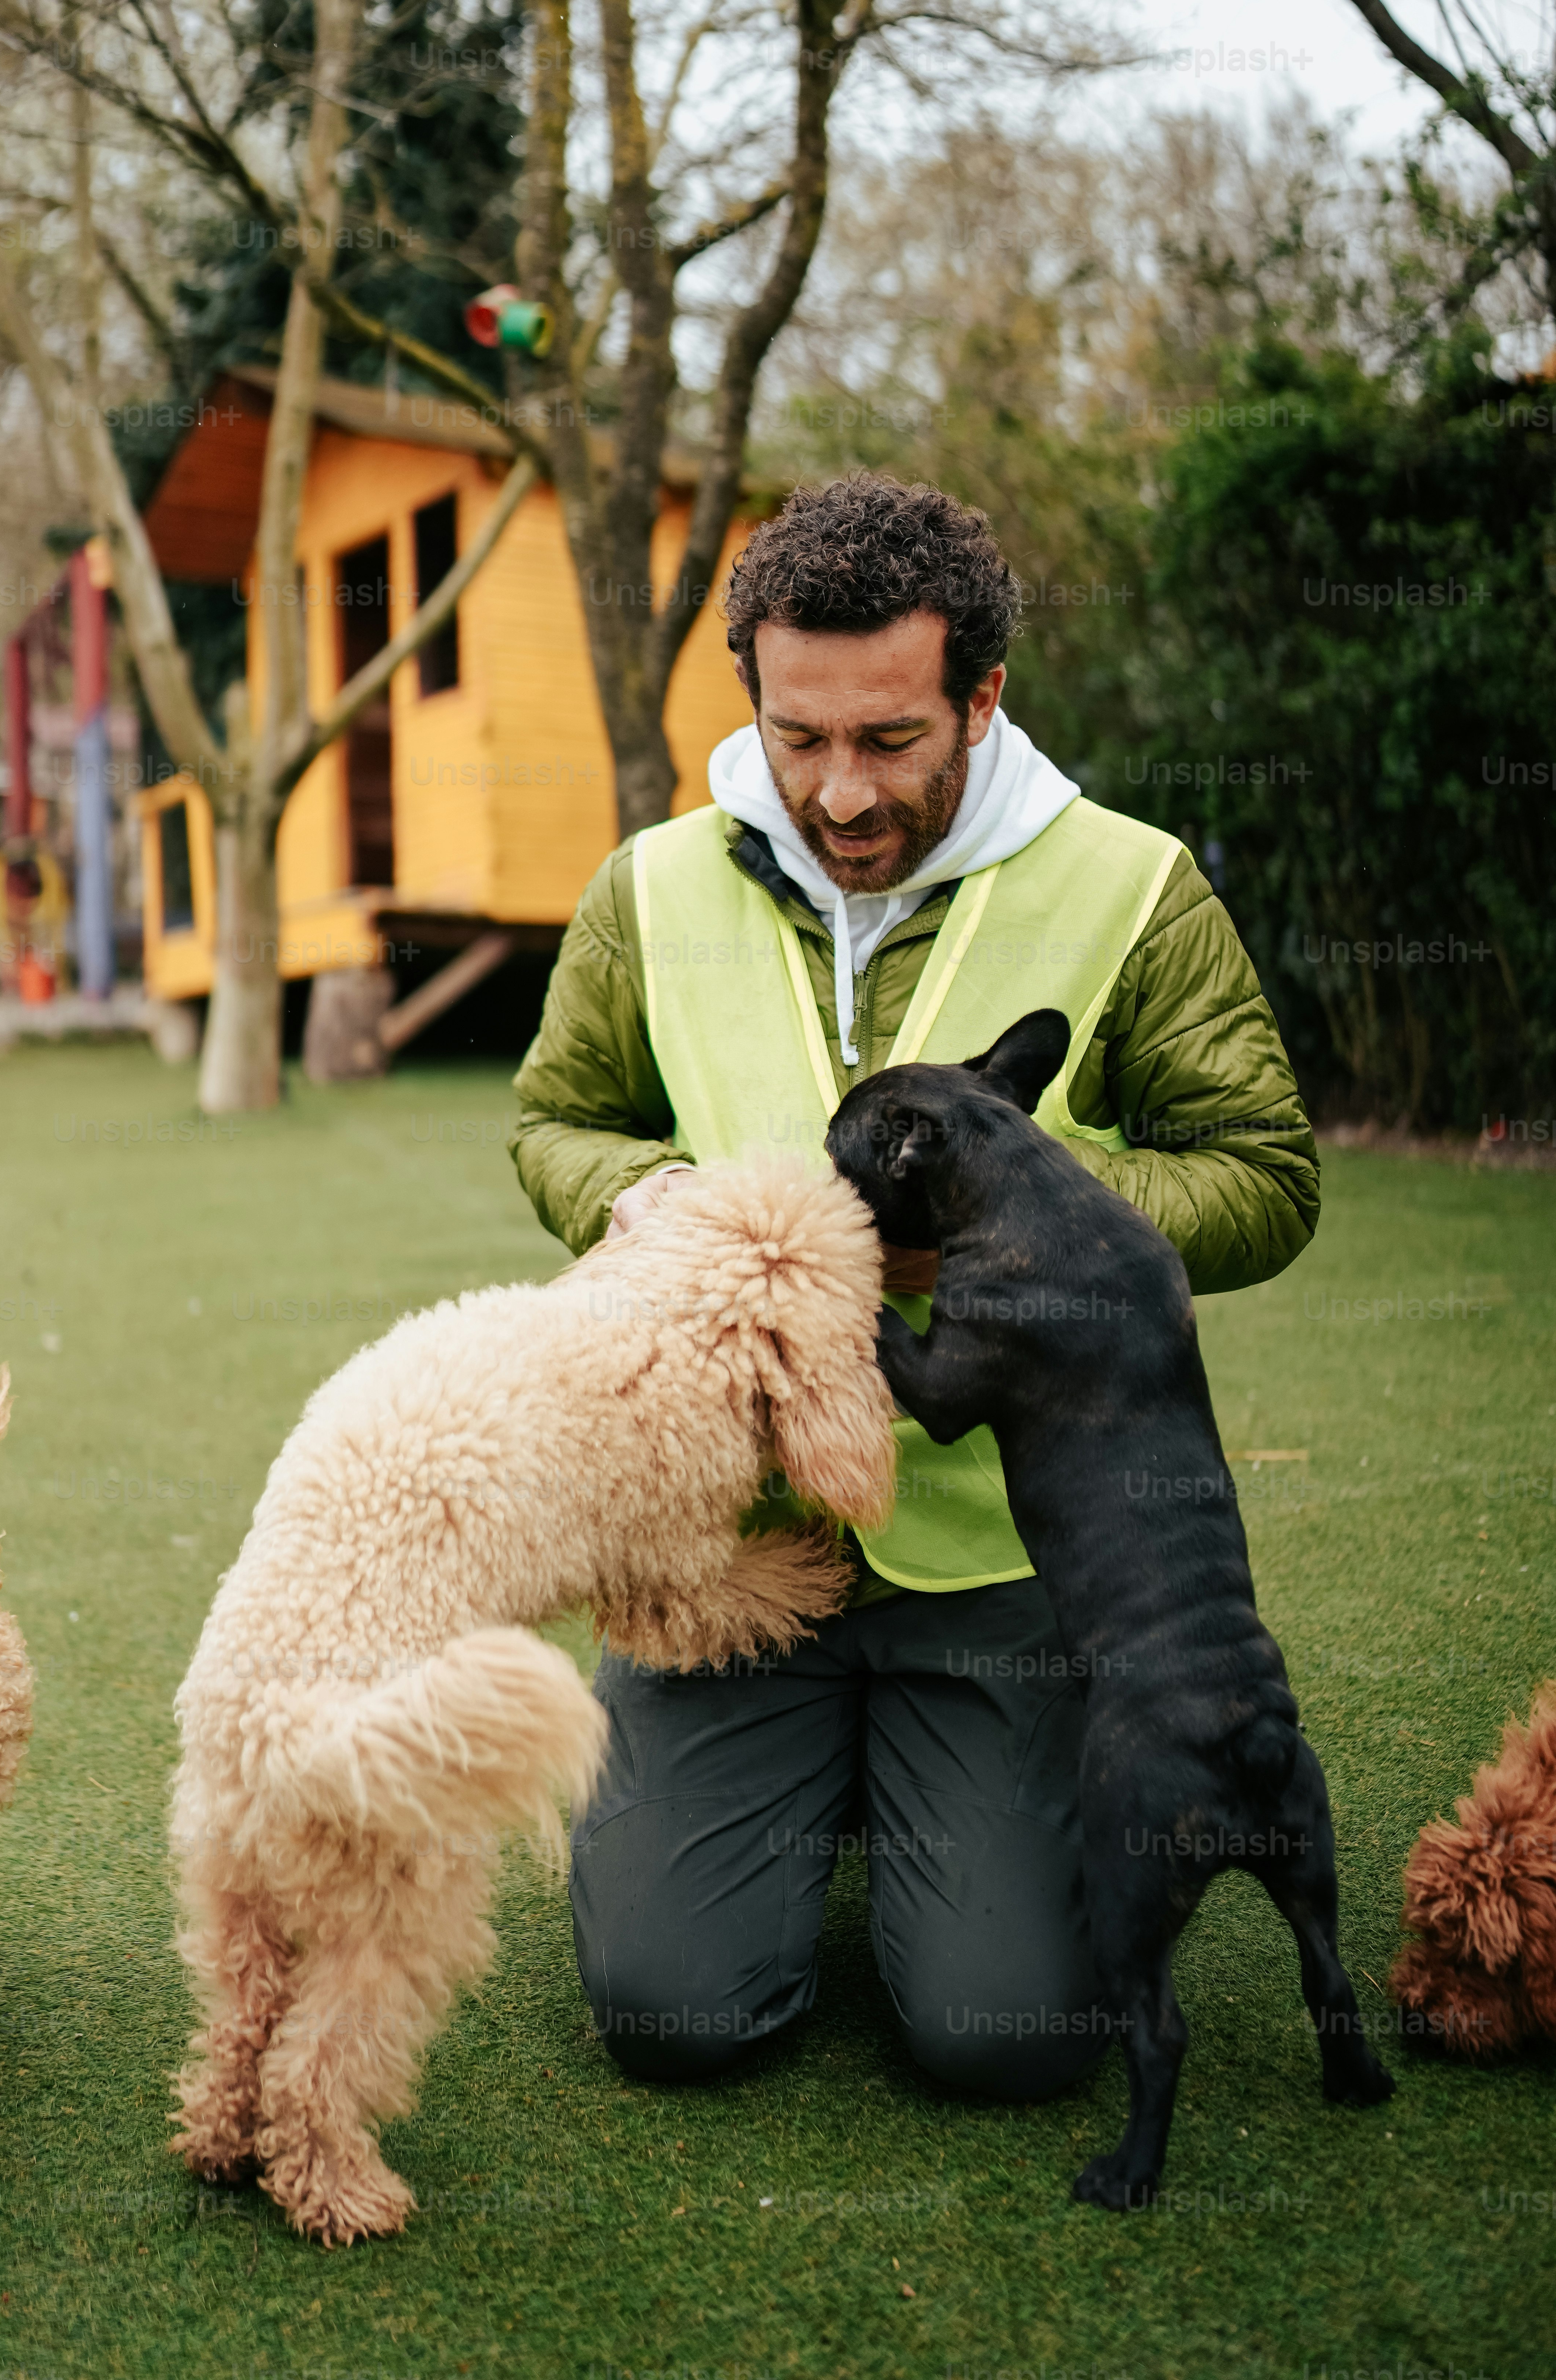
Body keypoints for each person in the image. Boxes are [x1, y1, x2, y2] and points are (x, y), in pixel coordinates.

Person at [507, 474, 1318, 2098]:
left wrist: (1021, 1230)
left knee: (1003, 2042)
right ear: (753, 692)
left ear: (982, 696)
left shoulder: (1133, 885)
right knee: (675, 2018)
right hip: (734, 1540)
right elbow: (559, 1118)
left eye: (889, 740)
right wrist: (651, 1199)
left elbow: (1263, 1174)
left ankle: (926, 1779)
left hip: (1013, 1570)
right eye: (798, 736)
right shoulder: (647, 889)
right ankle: (837, 1774)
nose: (839, 790)